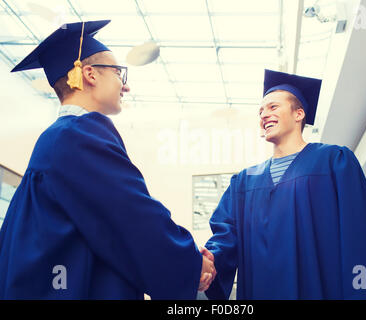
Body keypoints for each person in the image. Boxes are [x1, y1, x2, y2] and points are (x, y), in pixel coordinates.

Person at [0, 20, 215, 299]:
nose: (125, 87)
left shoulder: (56, 139)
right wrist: (190, 262)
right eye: (118, 73)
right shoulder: (79, 135)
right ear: (89, 74)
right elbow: (132, 215)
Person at [200, 69, 366, 299]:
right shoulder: (243, 183)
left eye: (273, 107)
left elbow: (358, 238)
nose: (263, 115)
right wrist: (206, 263)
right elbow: (225, 236)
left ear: (299, 113)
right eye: (261, 111)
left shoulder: (334, 163)